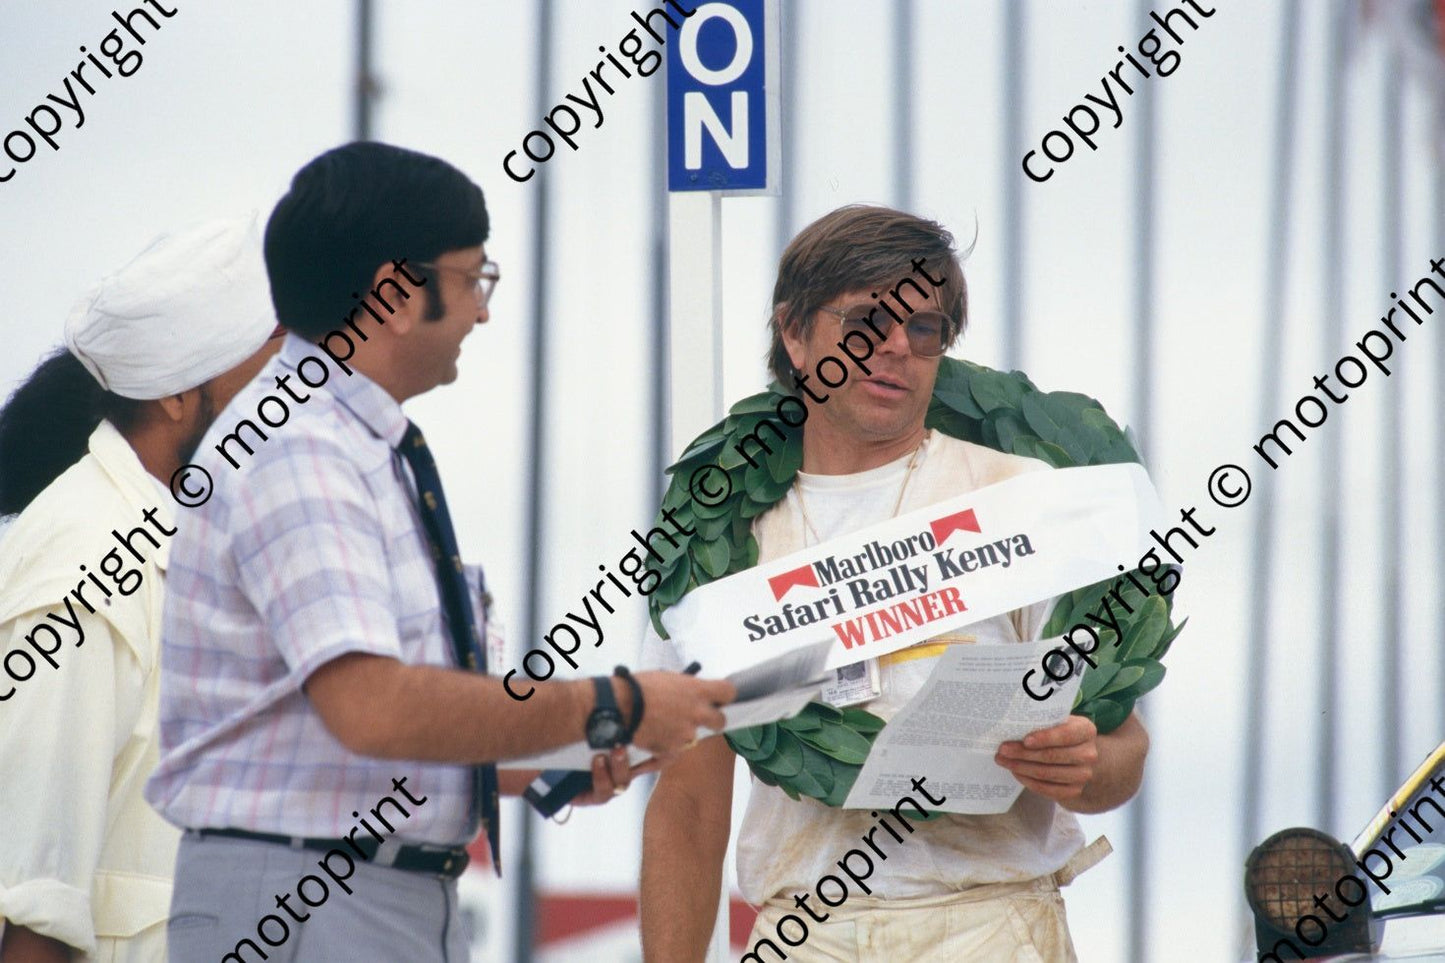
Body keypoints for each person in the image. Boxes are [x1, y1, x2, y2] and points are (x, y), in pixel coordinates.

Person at [144, 142, 736, 962]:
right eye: (473, 280)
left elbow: (345, 735)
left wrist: (560, 757)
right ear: (394, 293)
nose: (482, 312)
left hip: (361, 894)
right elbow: (374, 708)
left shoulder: (351, 444)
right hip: (310, 899)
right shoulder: (300, 451)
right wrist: (613, 705)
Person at [639, 205, 1150, 962]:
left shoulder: (1021, 497)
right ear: (792, 331)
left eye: (925, 328)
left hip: (994, 924)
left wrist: (1085, 764)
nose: (895, 348)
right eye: (866, 320)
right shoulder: (722, 539)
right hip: (805, 933)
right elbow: (686, 800)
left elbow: (1121, 746)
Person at [0, 217, 285, 962]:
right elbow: (29, 905)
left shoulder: (193, 545)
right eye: (274, 372)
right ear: (176, 398)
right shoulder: (88, 564)